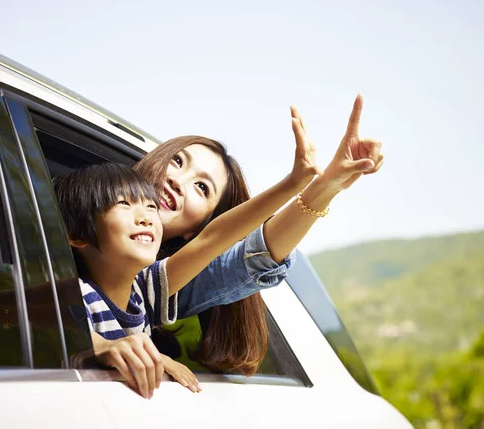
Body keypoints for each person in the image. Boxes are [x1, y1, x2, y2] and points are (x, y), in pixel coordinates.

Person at [131, 96, 383, 375]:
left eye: (202, 187)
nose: (178, 181)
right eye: (177, 161)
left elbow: (245, 253)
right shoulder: (76, 213)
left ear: (195, 231)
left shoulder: (150, 288)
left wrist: (321, 187)